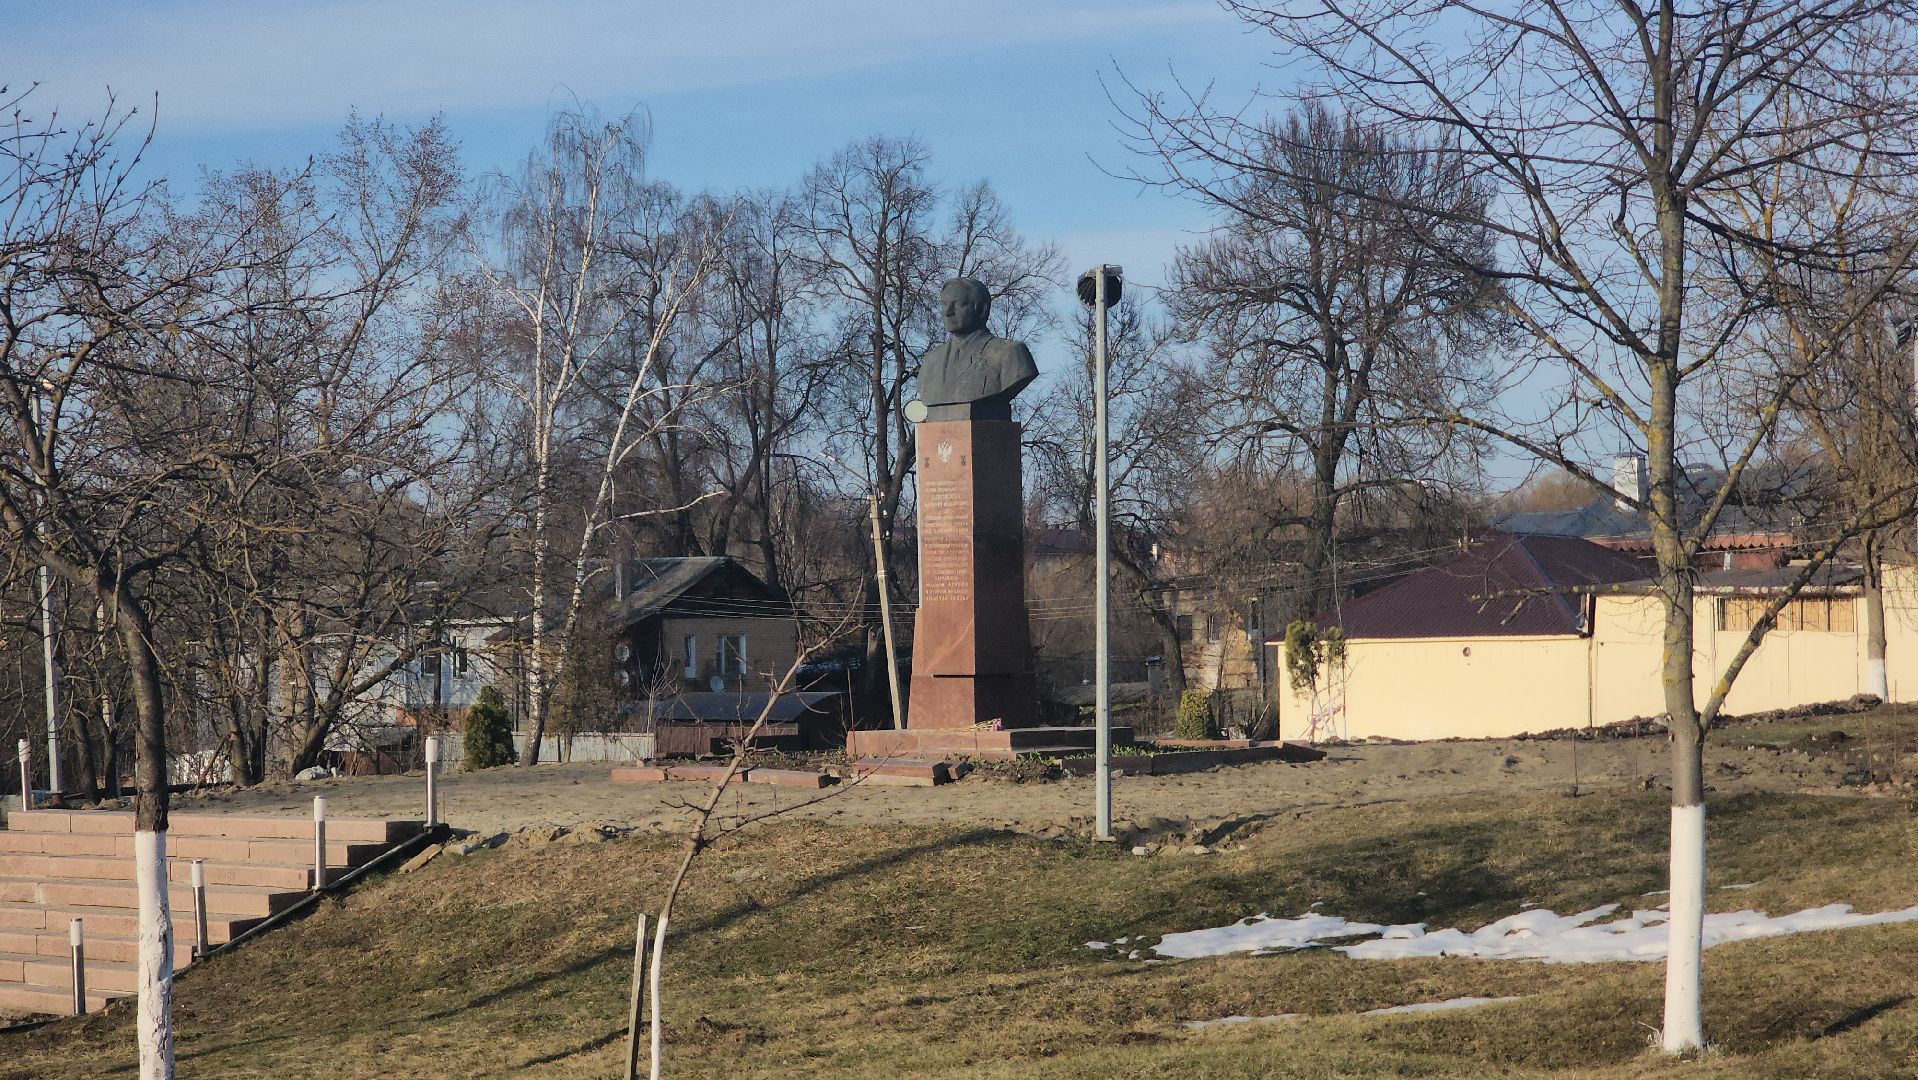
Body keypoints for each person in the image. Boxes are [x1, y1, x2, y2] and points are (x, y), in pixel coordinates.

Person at [916, 277, 1038, 421]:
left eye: (958, 305)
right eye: (944, 304)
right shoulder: (931, 360)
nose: (948, 312)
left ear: (981, 309)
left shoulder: (1010, 354)